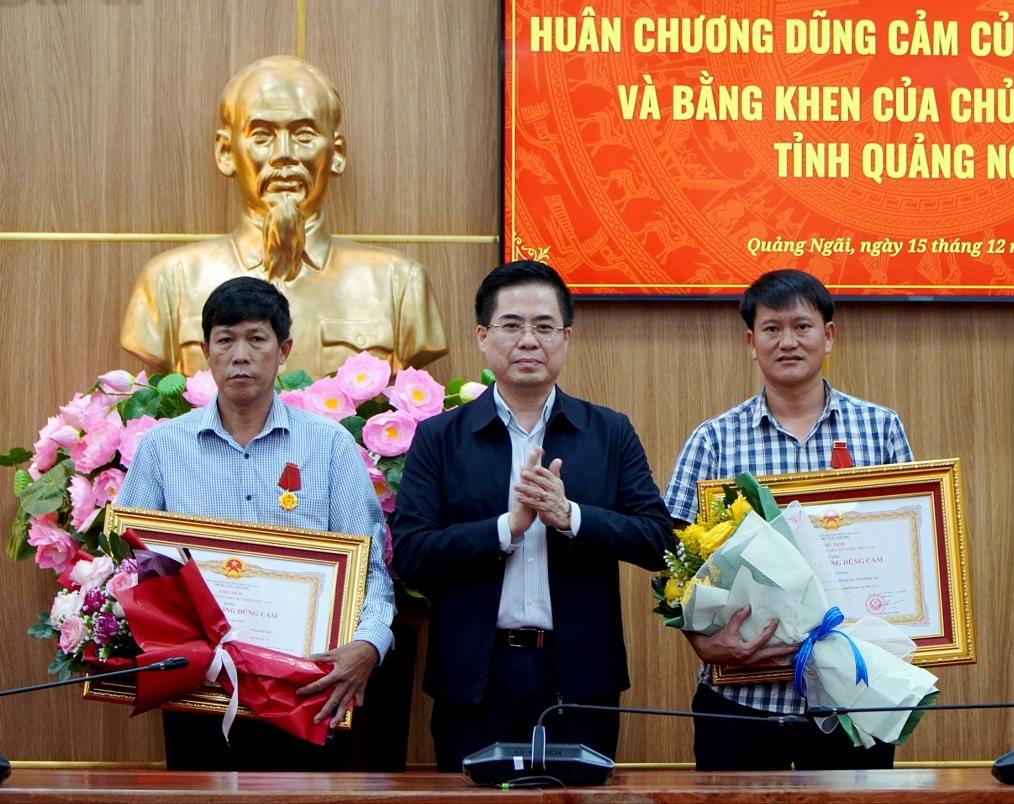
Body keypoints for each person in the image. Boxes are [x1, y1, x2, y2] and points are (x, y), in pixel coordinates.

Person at [391, 260, 672, 772]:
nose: (528, 340)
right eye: (511, 325)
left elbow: (658, 541)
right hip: (473, 678)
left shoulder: (608, 432)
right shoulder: (440, 437)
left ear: (565, 337)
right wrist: (506, 528)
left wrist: (571, 517)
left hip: (580, 677)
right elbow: (410, 554)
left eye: (544, 326)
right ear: (482, 336)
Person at [116, 276, 394, 770]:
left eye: (256, 339)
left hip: (304, 687)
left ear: (283, 350)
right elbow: (132, 564)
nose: (240, 355)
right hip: (198, 685)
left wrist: (370, 643)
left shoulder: (329, 446)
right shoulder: (162, 448)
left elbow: (370, 567)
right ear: (206, 352)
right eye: (225, 340)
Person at [663, 268, 914, 771]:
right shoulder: (713, 440)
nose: (788, 341)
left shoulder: (880, 429)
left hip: (853, 695)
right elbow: (674, 562)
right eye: (772, 329)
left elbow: (908, 550)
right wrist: (704, 641)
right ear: (751, 343)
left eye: (802, 326)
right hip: (743, 701)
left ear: (829, 336)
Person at [120, 55, 447, 378]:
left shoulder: (399, 283)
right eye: (261, 136)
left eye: (304, 135)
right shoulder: (169, 282)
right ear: (226, 153)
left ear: (337, 154)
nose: (284, 154)